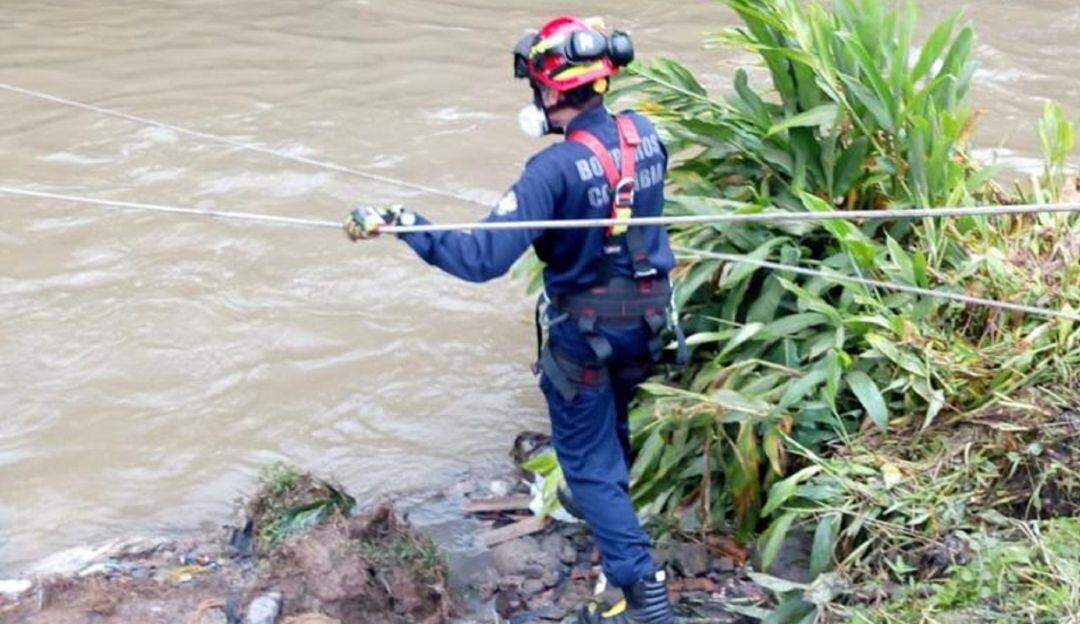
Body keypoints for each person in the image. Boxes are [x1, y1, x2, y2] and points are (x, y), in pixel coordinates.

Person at [345, 15, 684, 624]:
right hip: (648, 324)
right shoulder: (647, 136)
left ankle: (644, 595)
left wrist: (407, 225)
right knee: (609, 443)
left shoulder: (550, 173)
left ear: (553, 92)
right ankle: (615, 557)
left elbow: (480, 259)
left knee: (588, 464)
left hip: (586, 338)